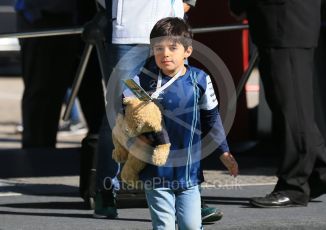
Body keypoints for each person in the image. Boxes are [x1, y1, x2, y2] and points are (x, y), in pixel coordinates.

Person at [121, 17, 238, 229]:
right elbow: (125, 109)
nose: (165, 53)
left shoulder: (200, 79)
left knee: (191, 226)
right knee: (163, 226)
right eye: (158, 48)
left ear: (187, 52)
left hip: (189, 172)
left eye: (172, 48)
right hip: (155, 171)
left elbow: (212, 118)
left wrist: (224, 151)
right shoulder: (141, 80)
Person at [229, 0, 326, 207]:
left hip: (283, 19)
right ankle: (322, 171)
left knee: (291, 109)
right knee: (291, 106)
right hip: (285, 20)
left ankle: (294, 185)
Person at [93, 0, 185, 219]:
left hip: (169, 31)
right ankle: (106, 190)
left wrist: (183, 8)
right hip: (129, 35)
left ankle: (184, 192)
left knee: (176, 110)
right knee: (119, 111)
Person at [15, 0, 105, 147]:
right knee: (40, 92)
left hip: (70, 19)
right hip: (41, 18)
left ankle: (45, 150)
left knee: (59, 91)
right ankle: (36, 152)